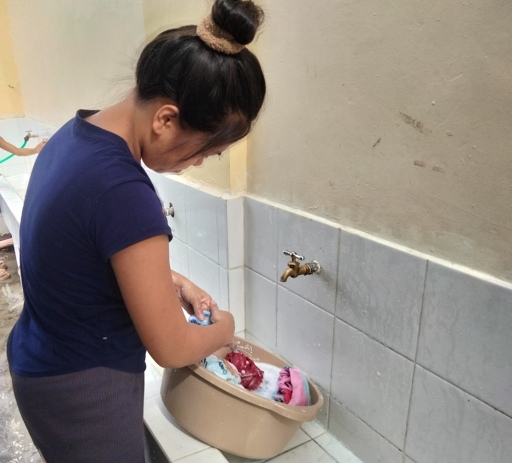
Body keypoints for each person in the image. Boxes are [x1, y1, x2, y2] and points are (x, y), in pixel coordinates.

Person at [7, 0, 266, 462]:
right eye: (204, 151)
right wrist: (226, 329)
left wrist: (171, 282)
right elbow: (172, 347)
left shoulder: (75, 136)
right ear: (166, 119)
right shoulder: (124, 190)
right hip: (83, 387)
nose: (196, 163)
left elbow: (80, 255)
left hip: (42, 358)